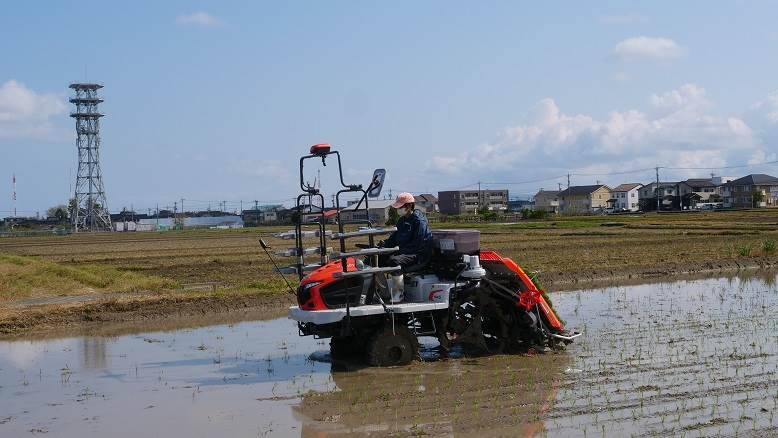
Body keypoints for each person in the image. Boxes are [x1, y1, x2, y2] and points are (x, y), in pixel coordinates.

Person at [379, 192, 433, 272]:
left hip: (418, 255)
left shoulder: (419, 222)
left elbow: (417, 245)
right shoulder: (402, 220)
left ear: (410, 205)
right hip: (404, 252)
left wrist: (398, 251)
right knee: (377, 257)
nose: (398, 209)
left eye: (401, 206)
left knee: (394, 261)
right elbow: (393, 239)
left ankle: (399, 284)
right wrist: (384, 245)